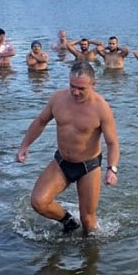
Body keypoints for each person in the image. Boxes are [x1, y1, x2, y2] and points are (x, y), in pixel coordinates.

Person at [16, 61, 120, 235]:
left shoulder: (101, 108)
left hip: (89, 166)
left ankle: (91, 258)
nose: (75, 92)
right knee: (39, 202)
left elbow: (113, 142)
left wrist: (112, 169)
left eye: (81, 88)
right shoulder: (58, 99)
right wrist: (24, 146)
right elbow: (40, 121)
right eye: (72, 86)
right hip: (62, 162)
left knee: (88, 222)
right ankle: (69, 222)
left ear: (93, 84)